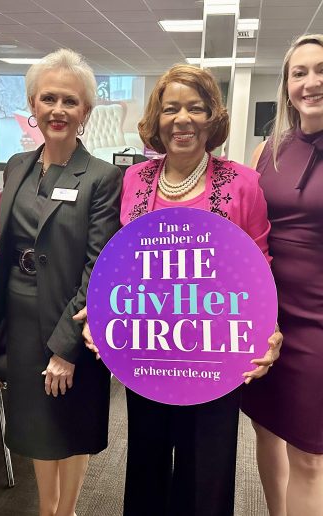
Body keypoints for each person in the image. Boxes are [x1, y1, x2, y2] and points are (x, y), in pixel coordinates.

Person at [75, 63, 283, 516]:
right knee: (145, 462)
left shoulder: (242, 183)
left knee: (206, 470)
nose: (182, 119)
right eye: (171, 109)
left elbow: (259, 265)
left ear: (212, 117)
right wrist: (100, 312)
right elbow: (121, 262)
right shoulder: (134, 180)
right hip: (149, 349)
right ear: (157, 118)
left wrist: (269, 328)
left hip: (216, 352)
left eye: (195, 108)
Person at [0, 48, 121, 516]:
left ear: (86, 111)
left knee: (70, 423)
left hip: (72, 319)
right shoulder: (17, 165)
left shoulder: (103, 177)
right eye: (48, 98)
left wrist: (66, 348)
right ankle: (47, 509)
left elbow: (99, 266)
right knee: (37, 427)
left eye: (70, 101)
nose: (57, 110)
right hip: (21, 315)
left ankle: (67, 510)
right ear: (32, 104)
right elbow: (7, 240)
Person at [241, 34, 323, 516]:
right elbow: (246, 230)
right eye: (300, 73)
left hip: (317, 321)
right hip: (266, 314)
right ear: (287, 85)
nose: (311, 82)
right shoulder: (266, 150)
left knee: (310, 453)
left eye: (321, 70)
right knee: (266, 429)